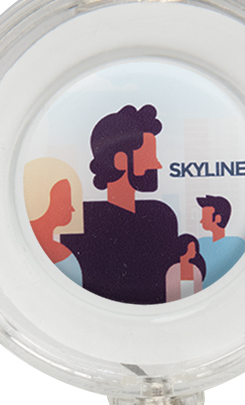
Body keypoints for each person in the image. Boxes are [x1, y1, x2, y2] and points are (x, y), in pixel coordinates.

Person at [60, 104, 178, 305]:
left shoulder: (161, 216)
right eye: (149, 156)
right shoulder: (81, 221)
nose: (157, 165)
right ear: (120, 161)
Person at [23, 157, 84, 286]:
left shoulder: (67, 259)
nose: (72, 208)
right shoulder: (66, 260)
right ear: (43, 202)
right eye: (65, 200)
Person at [195, 194, 245, 286]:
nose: (201, 221)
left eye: (205, 217)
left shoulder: (238, 244)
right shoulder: (201, 243)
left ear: (217, 219)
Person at [165, 235, 205, 302]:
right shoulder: (173, 270)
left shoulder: (195, 270)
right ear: (184, 249)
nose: (195, 251)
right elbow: (170, 296)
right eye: (192, 248)